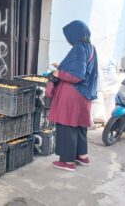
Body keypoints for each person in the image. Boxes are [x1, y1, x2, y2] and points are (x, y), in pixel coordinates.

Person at [48, 20, 98, 172]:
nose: (68, 39)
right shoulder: (91, 47)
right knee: (79, 125)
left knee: (67, 125)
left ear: (75, 34)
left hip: (72, 94)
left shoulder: (78, 48)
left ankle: (68, 161)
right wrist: (61, 67)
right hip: (84, 95)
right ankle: (83, 156)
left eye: (68, 36)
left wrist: (58, 73)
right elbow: (83, 69)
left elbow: (76, 76)